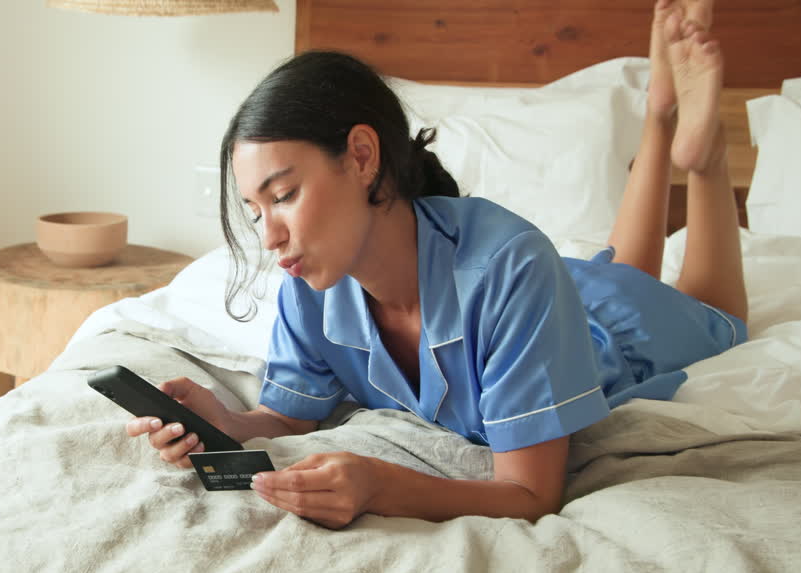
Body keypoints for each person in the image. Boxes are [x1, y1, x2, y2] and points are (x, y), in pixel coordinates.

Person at [127, 0, 748, 529]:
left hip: (602, 323)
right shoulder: (312, 278)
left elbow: (533, 496)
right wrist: (228, 421)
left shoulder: (508, 265)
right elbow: (291, 413)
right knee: (616, 267)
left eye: (284, 195)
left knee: (709, 311)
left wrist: (382, 485)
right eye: (256, 211)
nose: (271, 236)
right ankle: (658, 113)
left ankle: (702, 152)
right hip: (552, 292)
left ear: (363, 156)